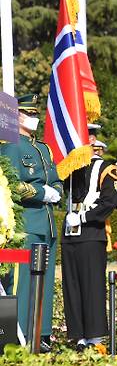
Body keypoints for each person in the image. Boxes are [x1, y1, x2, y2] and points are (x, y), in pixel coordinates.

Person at [0, 94, 62, 352]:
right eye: (30, 114)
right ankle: (20, 336)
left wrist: (55, 191)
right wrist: (40, 193)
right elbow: (10, 184)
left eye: (36, 114)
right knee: (23, 283)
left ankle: (41, 335)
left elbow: (56, 179)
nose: (35, 118)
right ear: (17, 116)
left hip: (46, 225)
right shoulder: (11, 147)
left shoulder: (44, 148)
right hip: (25, 224)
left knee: (44, 283)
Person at [61, 136, 117, 350]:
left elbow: (110, 202)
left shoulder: (107, 168)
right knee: (72, 285)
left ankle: (94, 338)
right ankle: (78, 336)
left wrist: (84, 217)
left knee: (92, 285)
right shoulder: (72, 166)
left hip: (91, 231)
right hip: (70, 230)